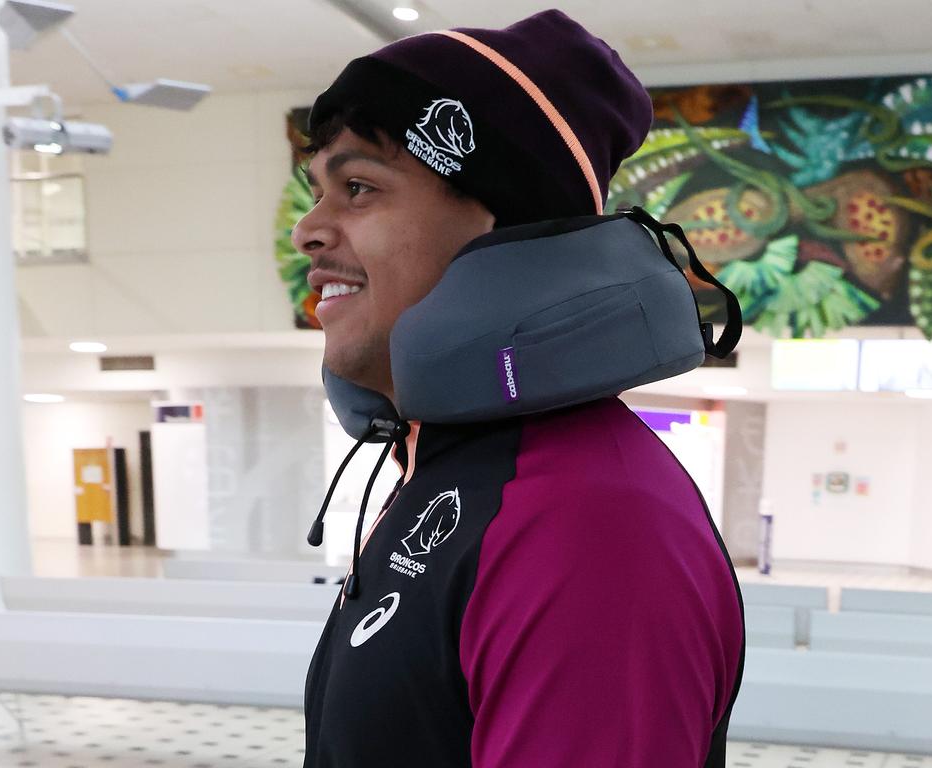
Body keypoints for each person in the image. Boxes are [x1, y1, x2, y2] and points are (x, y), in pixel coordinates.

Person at [292, 9, 745, 767]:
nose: (309, 228)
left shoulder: (588, 520)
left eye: (359, 188)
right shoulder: (453, 473)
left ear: (503, 232)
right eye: (317, 192)